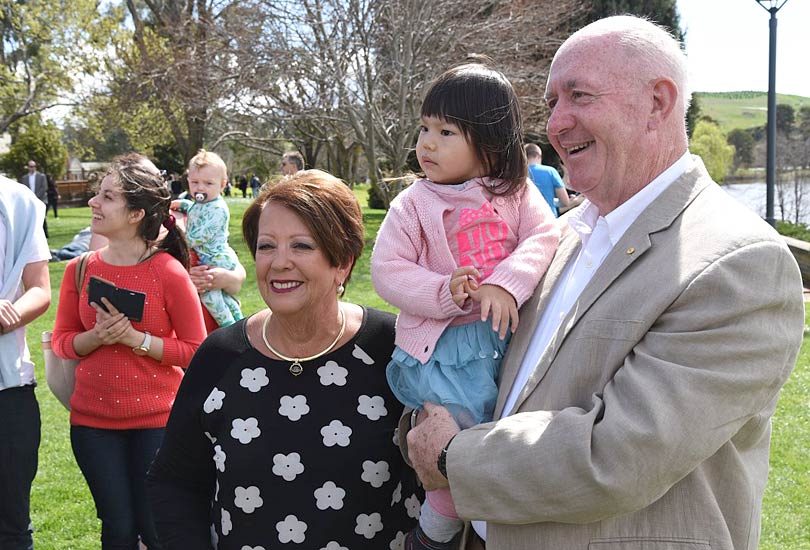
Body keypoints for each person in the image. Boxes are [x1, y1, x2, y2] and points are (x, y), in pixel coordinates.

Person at [406, 15, 805, 550]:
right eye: (551, 103)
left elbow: (619, 455)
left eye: (580, 95)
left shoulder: (738, 261)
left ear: (659, 102)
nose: (557, 123)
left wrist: (452, 459)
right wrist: (429, 414)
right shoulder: (558, 235)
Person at [147, 170, 421, 549]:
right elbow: (172, 482)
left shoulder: (393, 349)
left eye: (301, 246)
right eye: (266, 246)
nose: (279, 263)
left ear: (342, 261)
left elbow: (443, 480)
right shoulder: (220, 357)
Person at [371, 63, 559, 550]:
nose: (427, 143)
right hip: (444, 352)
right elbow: (387, 269)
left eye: (446, 132)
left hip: (502, 345)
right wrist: (441, 292)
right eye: (425, 128)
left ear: (490, 143)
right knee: (459, 443)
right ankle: (433, 536)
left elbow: (544, 236)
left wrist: (505, 284)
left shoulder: (514, 194)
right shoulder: (413, 203)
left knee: (502, 439)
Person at [51, 153, 207, 549]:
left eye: (107, 197)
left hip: (157, 425)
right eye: (97, 195)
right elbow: (62, 340)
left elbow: (196, 350)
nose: (93, 203)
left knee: (156, 530)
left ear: (136, 213)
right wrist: (98, 338)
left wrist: (137, 340)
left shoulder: (168, 271)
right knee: (117, 529)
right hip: (91, 426)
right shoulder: (80, 269)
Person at [0, 180, 51, 549]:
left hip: (8, 386)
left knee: (12, 525)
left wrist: (8, 314)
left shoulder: (19, 201)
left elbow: (40, 288)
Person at [171, 150, 244, 328]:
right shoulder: (202, 203)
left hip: (216, 258)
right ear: (188, 181)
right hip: (210, 257)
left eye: (208, 183)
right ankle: (240, 322)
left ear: (222, 185)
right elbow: (195, 209)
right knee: (225, 297)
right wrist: (182, 204)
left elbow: (200, 236)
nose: (200, 188)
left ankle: (227, 328)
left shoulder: (218, 209)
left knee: (210, 297)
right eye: (195, 182)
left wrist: (179, 241)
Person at [524, 143, 570, 216]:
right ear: (538, 156)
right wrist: (550, 200)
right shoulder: (550, 171)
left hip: (526, 220)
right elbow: (565, 202)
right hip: (549, 218)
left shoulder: (518, 175)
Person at [19, 160, 48, 238]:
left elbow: (44, 187)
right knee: (31, 219)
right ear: (28, 167)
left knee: (42, 217)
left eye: (34, 166)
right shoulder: (24, 178)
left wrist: (35, 197)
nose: (32, 168)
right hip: (29, 201)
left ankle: (45, 234)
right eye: (31, 167)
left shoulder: (41, 176)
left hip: (40, 199)